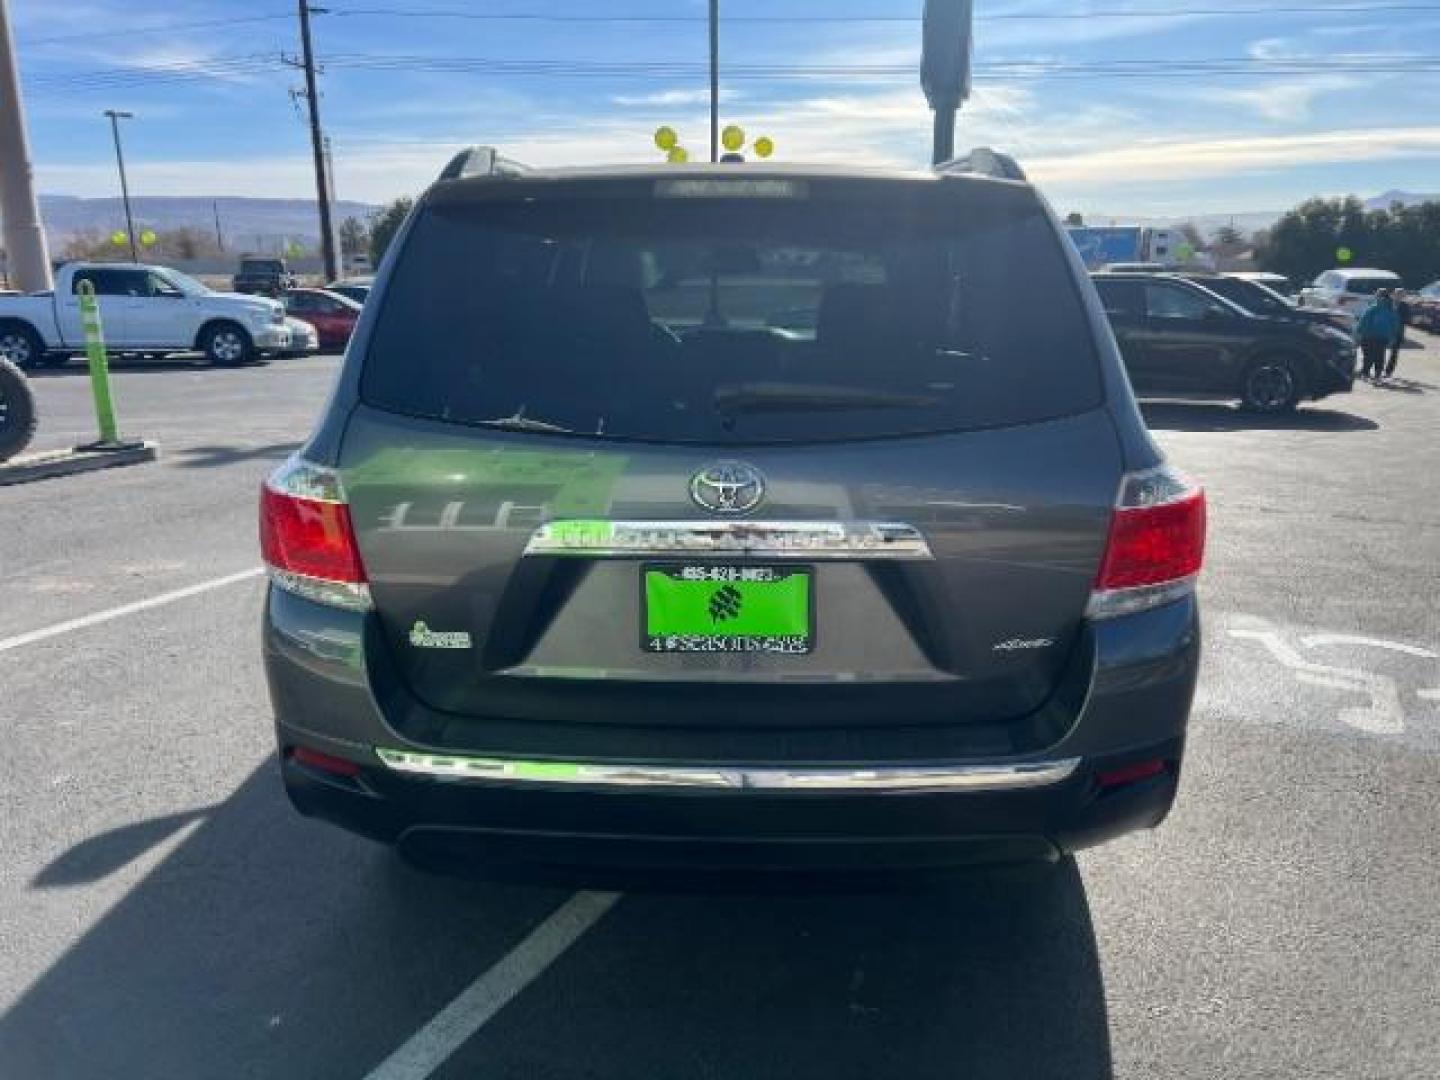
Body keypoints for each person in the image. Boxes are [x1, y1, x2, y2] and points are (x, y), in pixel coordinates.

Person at [1354, 288, 1400, 382]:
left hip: (1369, 336)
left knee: (1368, 355)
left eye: (1377, 294)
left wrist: (1358, 332)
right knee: (1380, 355)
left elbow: (1364, 321)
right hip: (1383, 337)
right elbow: (1395, 324)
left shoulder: (1373, 307)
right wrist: (1393, 337)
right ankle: (1377, 375)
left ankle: (1366, 373)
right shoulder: (1391, 309)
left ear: (1379, 296)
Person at [1386, 290, 1411, 379]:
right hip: (1385, 331)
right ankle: (1375, 370)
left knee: (1394, 353)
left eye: (1401, 295)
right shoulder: (1387, 304)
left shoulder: (1405, 306)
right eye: (1397, 295)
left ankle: (1388, 372)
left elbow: (1407, 319)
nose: (1399, 297)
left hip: (1398, 332)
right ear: (1393, 295)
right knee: (1378, 351)